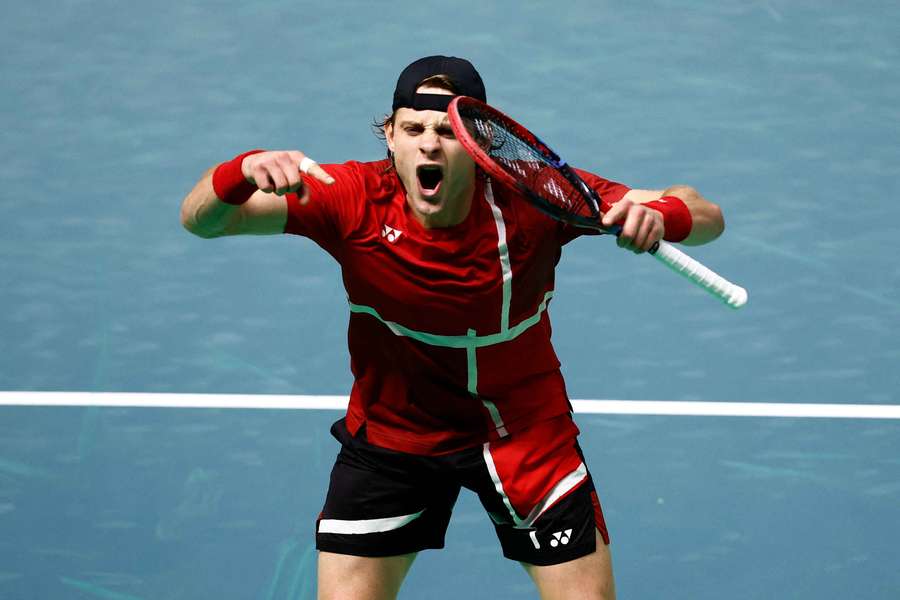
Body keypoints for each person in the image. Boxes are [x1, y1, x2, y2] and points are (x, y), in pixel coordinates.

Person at [180, 55, 724, 600]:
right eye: (413, 128)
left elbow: (705, 214)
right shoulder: (348, 197)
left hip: (525, 434)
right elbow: (202, 219)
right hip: (393, 433)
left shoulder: (536, 199)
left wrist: (665, 215)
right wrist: (239, 170)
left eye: (447, 130)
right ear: (389, 136)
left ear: (479, 143)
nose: (429, 145)